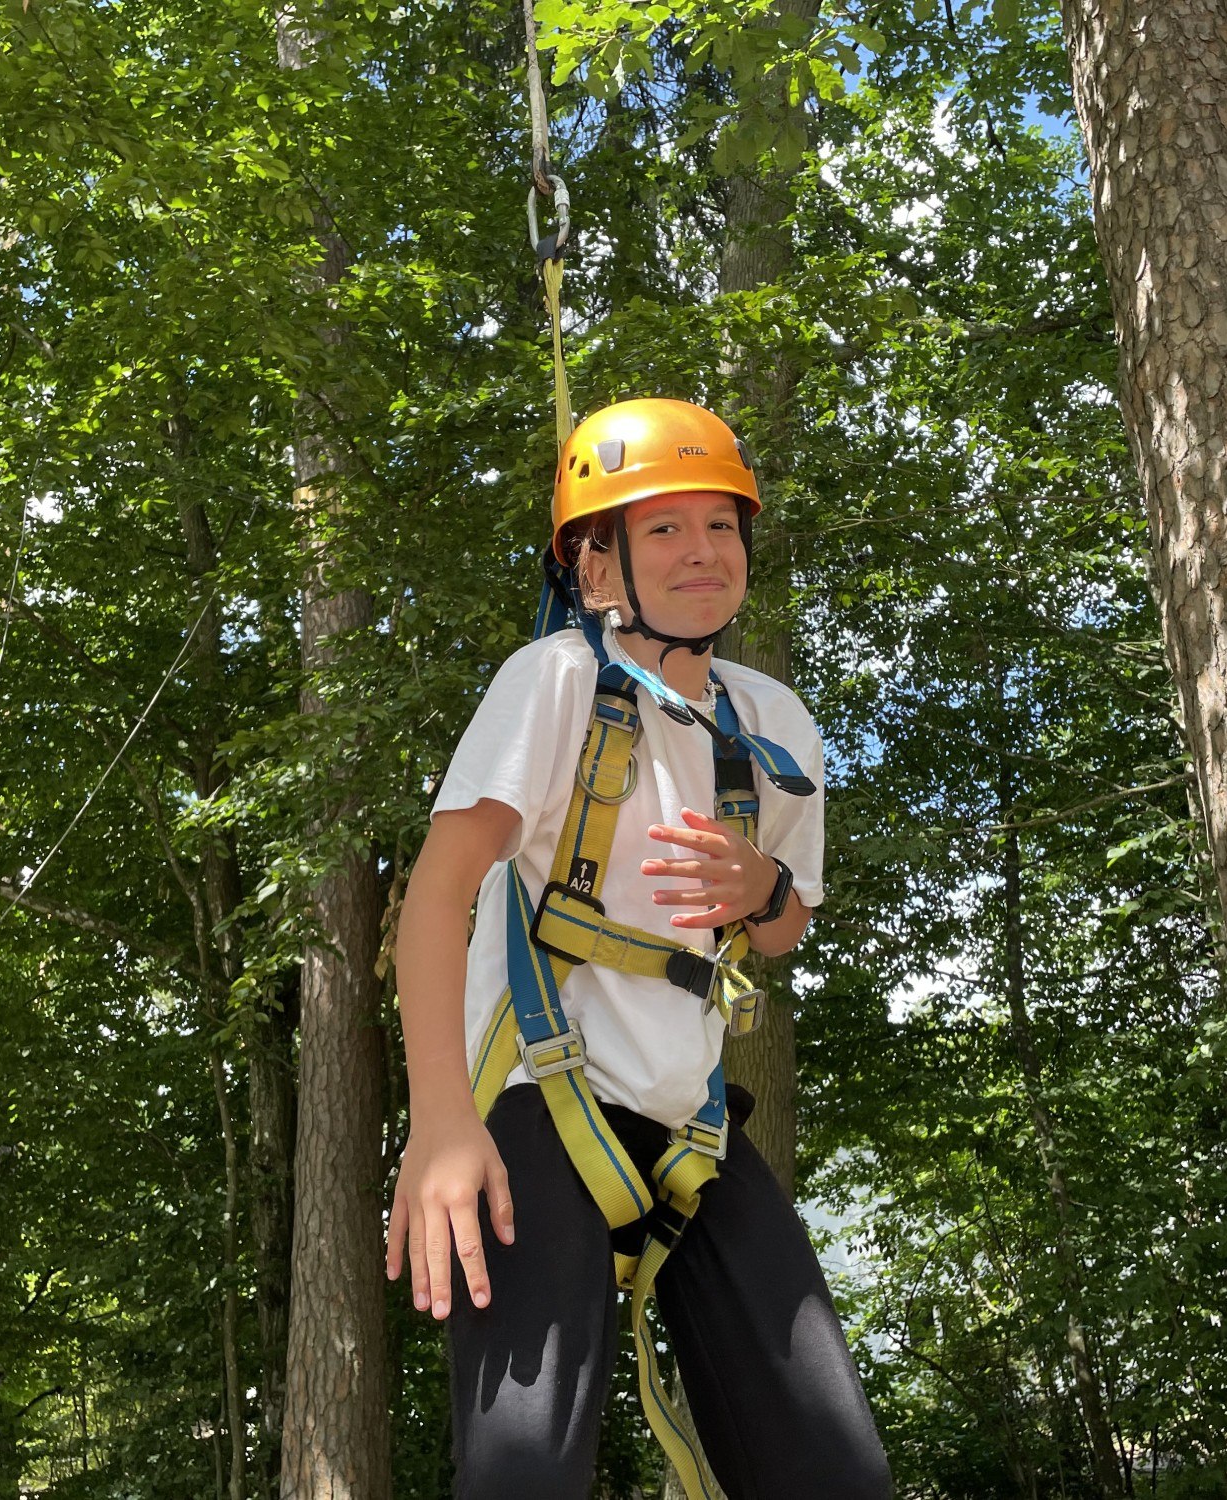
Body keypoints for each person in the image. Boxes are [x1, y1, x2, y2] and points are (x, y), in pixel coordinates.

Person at [386, 398, 892, 1500]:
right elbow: (435, 896)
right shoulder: (556, 681)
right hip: (538, 1098)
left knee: (833, 1471)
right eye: (662, 527)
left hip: (691, 1123)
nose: (702, 549)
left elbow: (783, 927)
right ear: (594, 560)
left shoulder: (773, 725)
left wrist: (760, 887)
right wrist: (442, 1124)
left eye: (720, 524)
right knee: (522, 1472)